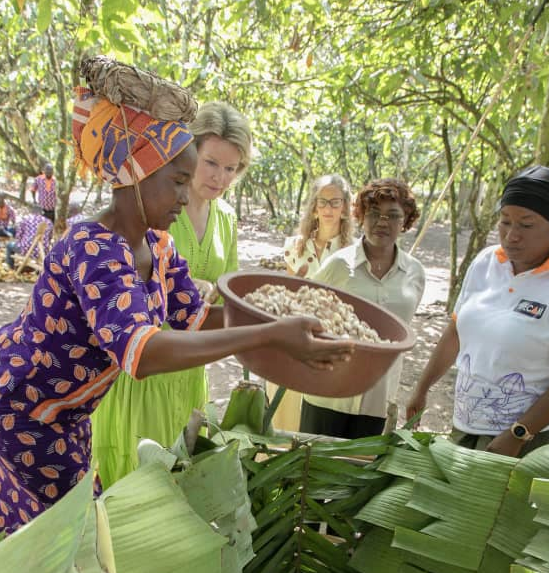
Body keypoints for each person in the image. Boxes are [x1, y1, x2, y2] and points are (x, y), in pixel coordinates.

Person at [0, 56, 354, 547]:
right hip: (24, 404)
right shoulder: (95, 248)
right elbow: (144, 352)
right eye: (177, 180)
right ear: (135, 173)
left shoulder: (158, 245)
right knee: (71, 537)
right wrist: (268, 334)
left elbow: (196, 320)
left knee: (39, 524)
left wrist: (279, 321)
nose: (187, 192)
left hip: (67, 410)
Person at [91, 101, 252, 487]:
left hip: (189, 368)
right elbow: (116, 290)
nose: (219, 177)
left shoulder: (226, 219)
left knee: (175, 482)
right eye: (211, 163)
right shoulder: (148, 208)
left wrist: (216, 296)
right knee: (132, 482)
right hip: (144, 368)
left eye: (231, 169)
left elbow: (226, 288)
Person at [407, 164, 549, 457]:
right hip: (468, 422)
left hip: (531, 439)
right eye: (505, 221)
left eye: (526, 225)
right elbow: (456, 331)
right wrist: (422, 387)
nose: (512, 235)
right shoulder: (486, 262)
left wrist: (520, 433)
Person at [300, 178, 425, 438]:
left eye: (393, 215)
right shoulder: (339, 265)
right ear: (360, 217)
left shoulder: (414, 273)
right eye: (374, 214)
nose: (382, 222)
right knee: (314, 470)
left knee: (360, 474)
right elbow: (304, 308)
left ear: (405, 221)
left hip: (378, 397)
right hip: (329, 392)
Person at [268, 174, 354, 432]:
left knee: (313, 423)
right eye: (322, 202)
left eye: (335, 202)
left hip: (329, 343)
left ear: (346, 207)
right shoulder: (295, 247)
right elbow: (286, 296)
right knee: (284, 414)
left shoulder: (354, 252)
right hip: (294, 341)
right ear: (314, 207)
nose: (328, 209)